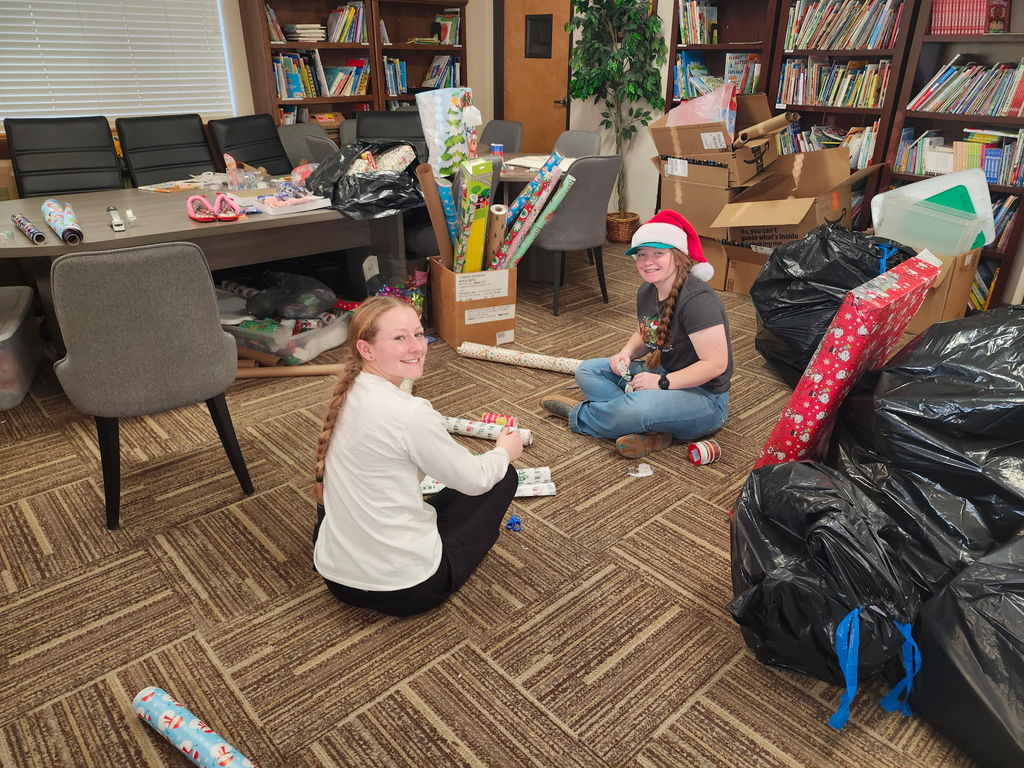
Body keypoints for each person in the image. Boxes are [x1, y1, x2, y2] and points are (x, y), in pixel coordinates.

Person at [313, 295, 523, 616]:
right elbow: (475, 479)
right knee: (500, 476)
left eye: (418, 333)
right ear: (366, 350)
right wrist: (504, 451)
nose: (416, 346)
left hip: (336, 578)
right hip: (407, 589)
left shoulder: (346, 392)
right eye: (399, 337)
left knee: (445, 488)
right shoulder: (411, 413)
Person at [540, 210, 732, 459]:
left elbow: (716, 365)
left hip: (705, 398)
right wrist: (626, 353)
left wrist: (661, 384)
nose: (647, 261)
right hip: (665, 376)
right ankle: (651, 430)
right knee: (588, 371)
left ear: (676, 256)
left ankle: (584, 415)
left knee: (639, 409)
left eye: (658, 254)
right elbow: (648, 331)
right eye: (641, 255)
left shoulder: (698, 300)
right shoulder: (647, 290)